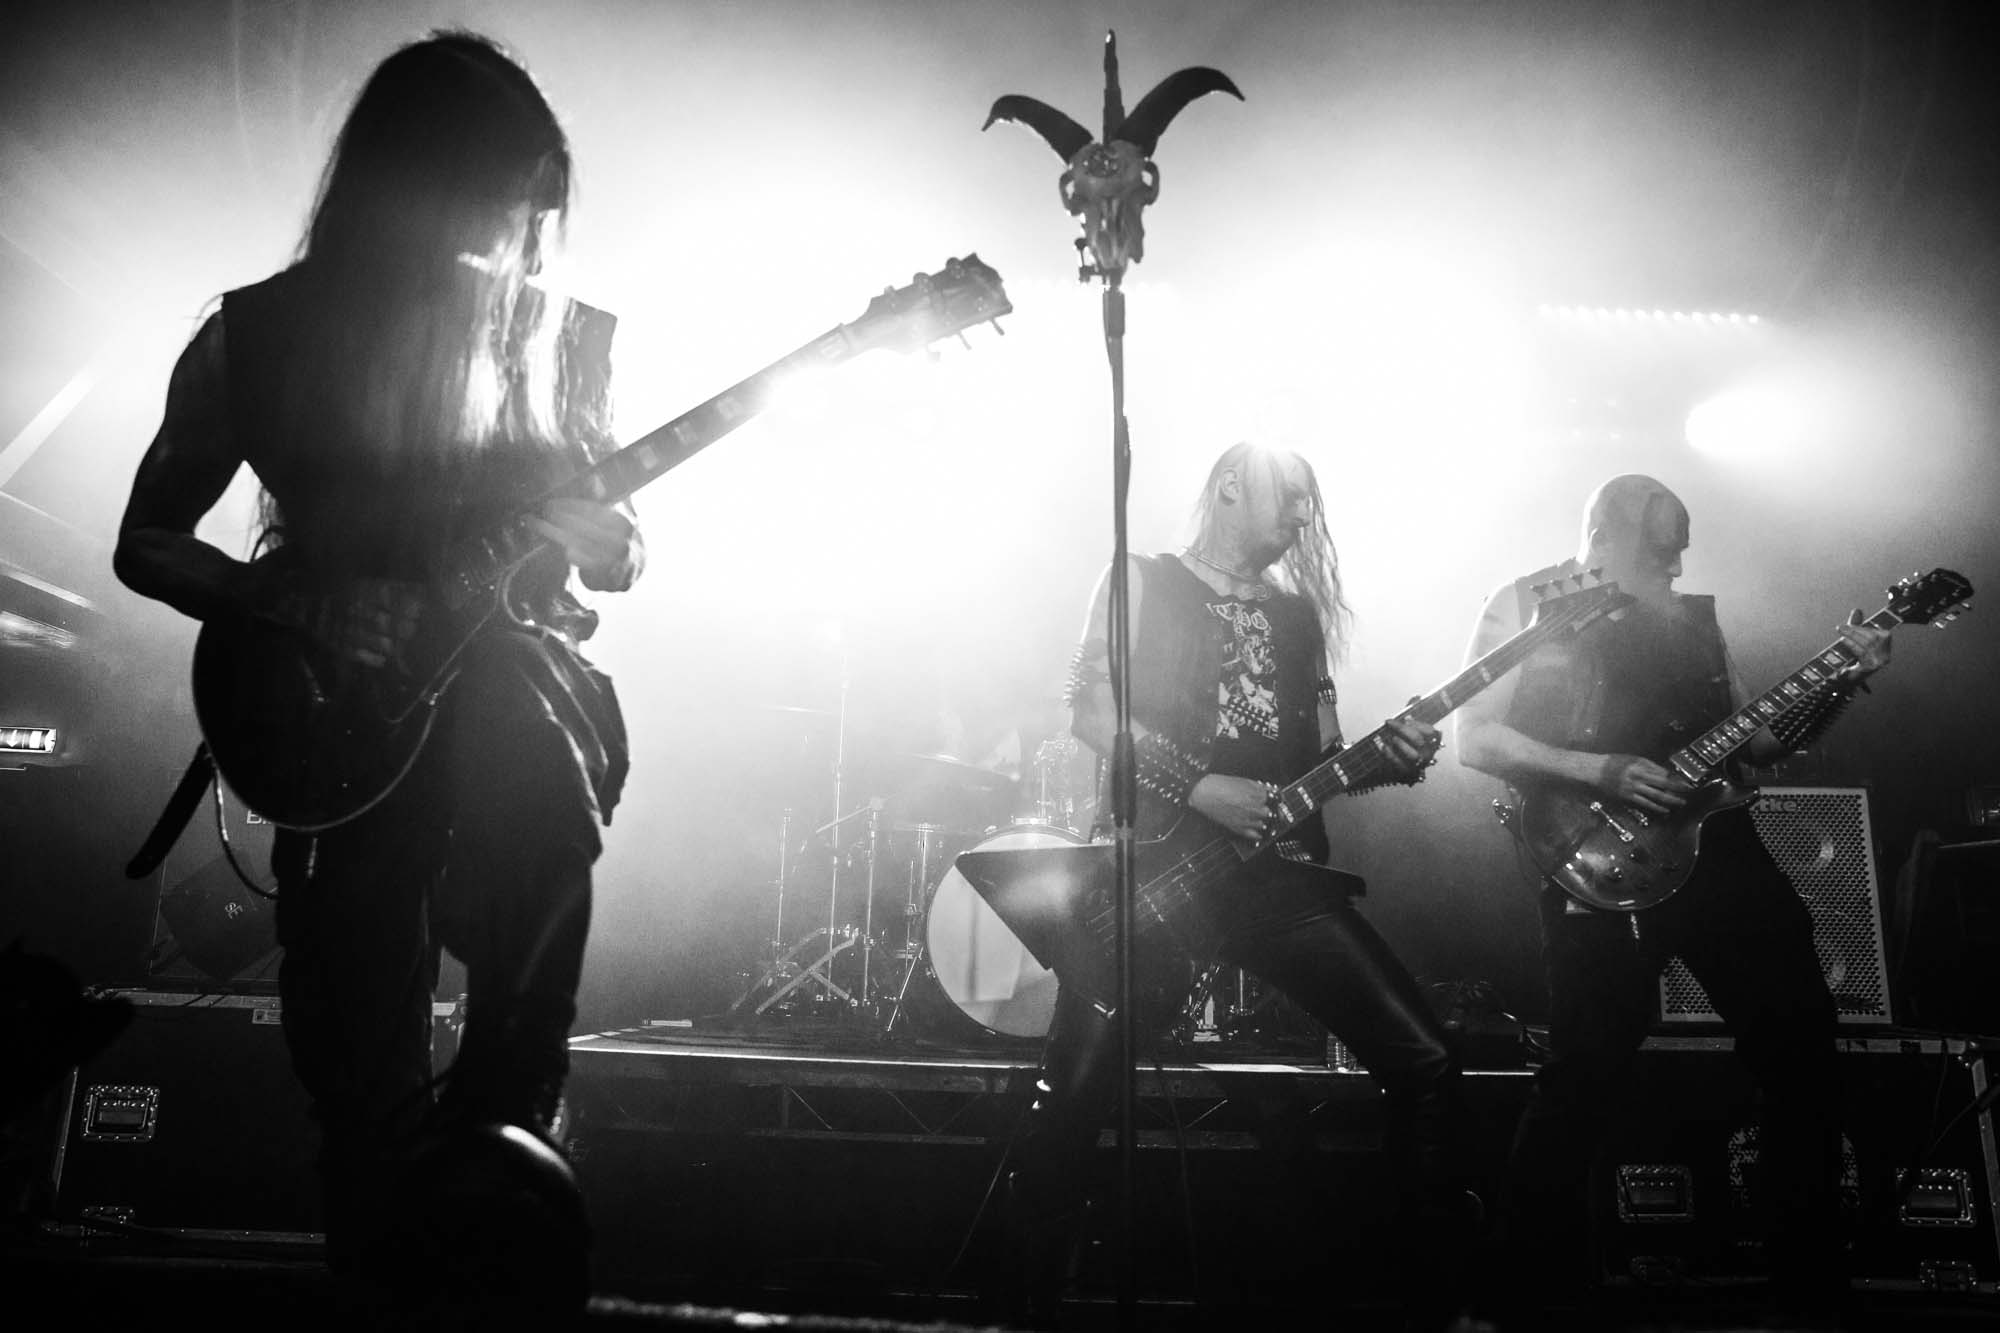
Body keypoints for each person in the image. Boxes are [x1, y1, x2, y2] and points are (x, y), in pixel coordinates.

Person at [113, 31, 641, 1319]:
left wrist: (607, 537)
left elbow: (621, 549)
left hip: (510, 695)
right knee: (356, 1056)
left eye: (539, 208)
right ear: (425, 181)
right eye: (507, 196)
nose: (523, 233)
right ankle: (385, 1259)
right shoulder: (257, 334)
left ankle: (505, 1148)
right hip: (333, 717)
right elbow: (146, 538)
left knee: (531, 768)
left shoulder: (560, 339)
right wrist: (293, 596)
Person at [1000, 441, 1467, 1322]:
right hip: (1159, 872)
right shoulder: (1140, 577)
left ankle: (1419, 1301)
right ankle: (1030, 1304)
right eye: (1289, 496)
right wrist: (1201, 786)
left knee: (1430, 1062)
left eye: (1308, 503)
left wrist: (1392, 758)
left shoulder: (1297, 616)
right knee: (1075, 1095)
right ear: (1227, 487)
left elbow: (1324, 755)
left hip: (1274, 880)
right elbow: (1092, 710)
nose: (1302, 516)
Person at [1453, 474, 1891, 1324]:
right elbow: (1474, 737)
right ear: (1601, 537)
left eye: (1681, 551)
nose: (1676, 567)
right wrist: (1602, 770)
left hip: (1718, 846)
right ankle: (1506, 1301)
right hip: (1594, 853)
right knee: (1583, 1074)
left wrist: (1838, 680)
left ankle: (1810, 1293)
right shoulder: (1527, 603)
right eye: (1660, 552)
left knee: (1803, 1047)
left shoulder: (1694, 622)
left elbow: (1757, 740)